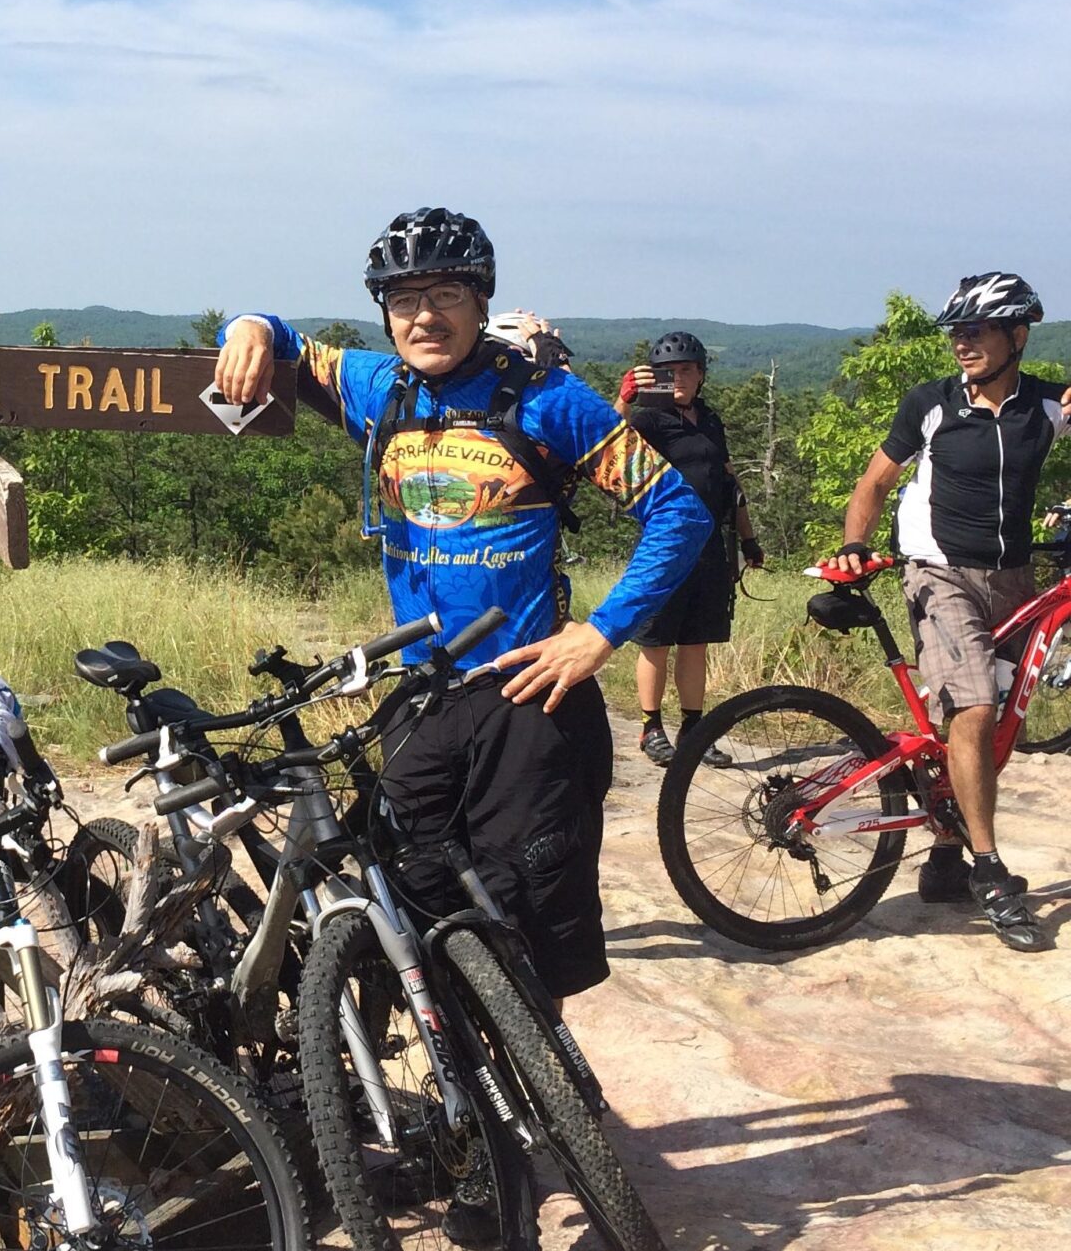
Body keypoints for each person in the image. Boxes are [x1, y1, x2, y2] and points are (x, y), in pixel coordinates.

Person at [215, 206, 713, 1012]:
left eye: (445, 292)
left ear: (481, 301)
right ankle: (459, 1102)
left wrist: (599, 633)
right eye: (403, 298)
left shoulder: (549, 399)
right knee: (412, 898)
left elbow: (679, 512)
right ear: (385, 311)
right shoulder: (381, 388)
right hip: (421, 696)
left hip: (525, 695)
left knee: (525, 924)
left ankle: (542, 1106)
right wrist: (246, 326)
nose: (424, 315)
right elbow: (289, 343)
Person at [833, 272, 1070, 952]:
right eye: (957, 332)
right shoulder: (931, 404)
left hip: (1013, 578)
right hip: (938, 572)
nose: (962, 343)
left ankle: (944, 849)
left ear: (1017, 336)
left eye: (977, 330)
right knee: (974, 710)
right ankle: (989, 872)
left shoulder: (1048, 406)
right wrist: (855, 543)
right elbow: (873, 482)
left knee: (993, 726)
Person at [620, 332, 764, 768]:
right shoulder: (648, 420)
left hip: (710, 545)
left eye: (687, 369)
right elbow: (608, 446)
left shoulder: (710, 420)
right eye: (669, 372)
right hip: (664, 543)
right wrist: (624, 401)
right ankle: (650, 728)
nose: (679, 378)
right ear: (655, 377)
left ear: (701, 374)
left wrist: (748, 537)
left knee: (696, 642)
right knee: (657, 640)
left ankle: (694, 730)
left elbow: (728, 479)